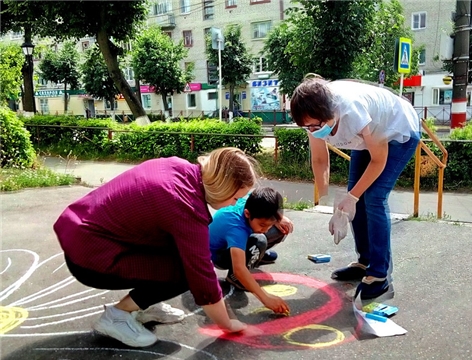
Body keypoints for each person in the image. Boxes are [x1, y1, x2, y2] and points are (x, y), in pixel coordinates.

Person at [53, 147, 257, 348]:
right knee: (186, 272)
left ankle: (143, 305)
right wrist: (228, 324)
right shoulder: (186, 205)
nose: (234, 205)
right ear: (222, 186)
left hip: (84, 232)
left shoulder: (179, 166)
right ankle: (118, 315)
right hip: (90, 257)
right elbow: (202, 276)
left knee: (179, 252)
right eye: (235, 198)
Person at [290, 76, 420, 301]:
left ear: (330, 113)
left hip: (398, 131)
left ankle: (379, 275)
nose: (311, 131)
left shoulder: (353, 111)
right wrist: (326, 199)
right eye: (306, 127)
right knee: (355, 198)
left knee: (373, 198)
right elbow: (320, 159)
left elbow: (378, 160)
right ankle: (365, 261)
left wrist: (352, 197)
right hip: (365, 138)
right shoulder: (313, 117)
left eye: (315, 126)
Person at [209, 187, 293, 314]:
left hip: (237, 240)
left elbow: (260, 194)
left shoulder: (253, 201)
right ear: (248, 214)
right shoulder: (236, 227)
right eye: (263, 225)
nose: (266, 229)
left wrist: (280, 218)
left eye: (269, 224)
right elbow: (239, 269)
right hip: (219, 255)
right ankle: (234, 276)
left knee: (280, 229)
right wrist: (266, 298)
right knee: (260, 240)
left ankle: (255, 253)